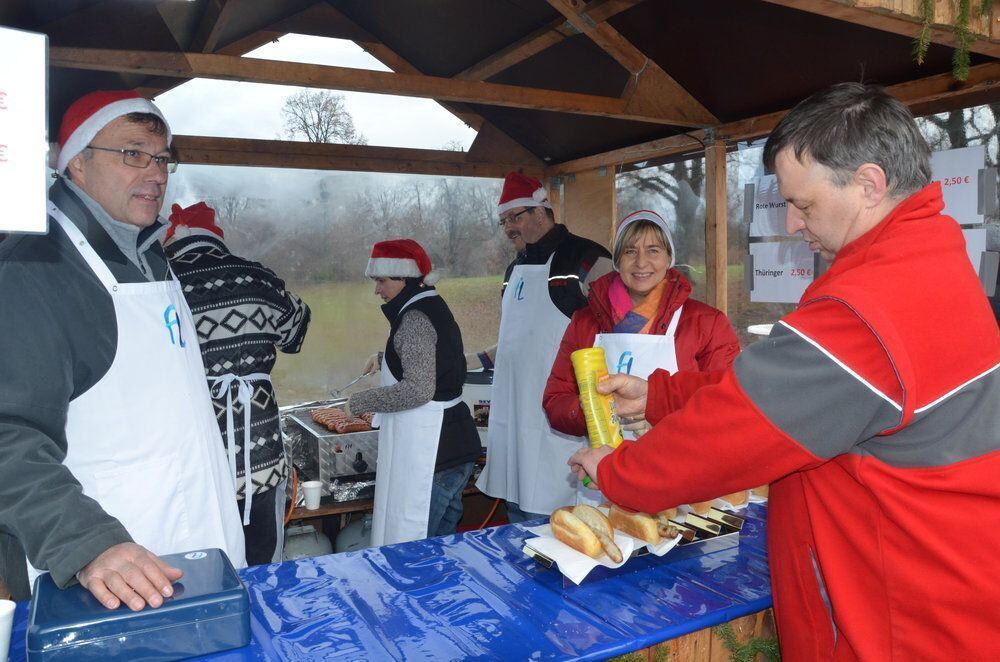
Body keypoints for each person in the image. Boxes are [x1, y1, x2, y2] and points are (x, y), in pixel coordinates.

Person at [569, 83, 1000, 659]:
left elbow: (730, 435)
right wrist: (658, 395)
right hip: (945, 583)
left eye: (804, 204)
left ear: (869, 184)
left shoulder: (867, 307)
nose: (795, 226)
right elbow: (785, 390)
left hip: (894, 617)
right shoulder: (929, 259)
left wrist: (619, 471)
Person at [0, 91, 245, 607]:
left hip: (190, 543)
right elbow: (7, 434)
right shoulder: (35, 268)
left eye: (162, 158)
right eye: (133, 153)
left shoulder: (149, 256)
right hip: (104, 576)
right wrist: (86, 544)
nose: (156, 173)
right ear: (78, 164)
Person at [543, 210, 739, 504]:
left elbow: (729, 403)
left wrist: (661, 411)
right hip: (603, 481)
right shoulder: (585, 322)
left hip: (683, 482)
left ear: (669, 258)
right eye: (630, 251)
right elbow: (555, 400)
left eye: (653, 250)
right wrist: (594, 408)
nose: (641, 262)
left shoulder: (705, 322)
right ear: (617, 260)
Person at [164, 202, 311, 565]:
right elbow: (296, 331)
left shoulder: (162, 280)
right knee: (262, 557)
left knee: (203, 562)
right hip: (260, 446)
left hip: (197, 449)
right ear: (216, 237)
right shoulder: (256, 276)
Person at [475, 172, 613, 523]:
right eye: (503, 220)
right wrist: (472, 359)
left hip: (561, 418)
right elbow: (514, 337)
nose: (508, 227)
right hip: (514, 415)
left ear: (542, 210)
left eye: (515, 217)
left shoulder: (587, 258)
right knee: (517, 512)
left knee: (559, 521)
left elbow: (617, 331)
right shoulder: (514, 268)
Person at [349, 239, 481, 546]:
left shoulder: (413, 318)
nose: (377, 290)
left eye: (381, 281)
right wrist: (385, 359)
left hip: (435, 453)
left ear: (403, 277)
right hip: (454, 447)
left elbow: (418, 389)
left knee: (418, 547)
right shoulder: (430, 304)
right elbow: (439, 359)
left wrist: (359, 402)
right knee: (442, 550)